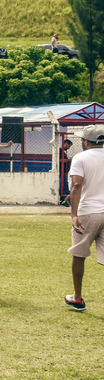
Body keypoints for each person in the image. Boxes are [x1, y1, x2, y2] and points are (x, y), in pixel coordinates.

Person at [66, 125, 104, 311]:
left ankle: (78, 298)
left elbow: (76, 185)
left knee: (79, 254)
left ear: (86, 142)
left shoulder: (80, 158)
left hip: (88, 212)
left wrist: (74, 215)